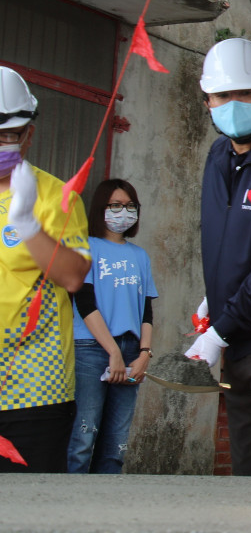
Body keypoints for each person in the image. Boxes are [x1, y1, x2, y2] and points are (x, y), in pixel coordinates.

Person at [184, 38, 251, 477]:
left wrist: (219, 331)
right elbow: (225, 242)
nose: (234, 105)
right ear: (206, 100)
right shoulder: (219, 156)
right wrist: (215, 297)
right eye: (223, 96)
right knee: (243, 472)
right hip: (236, 340)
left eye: (247, 93)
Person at [0, 66, 91, 472]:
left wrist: (29, 226)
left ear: (28, 135)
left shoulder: (56, 195)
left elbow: (73, 275)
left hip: (34, 391)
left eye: (8, 134)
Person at [68, 179, 157, 474]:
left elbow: (146, 310)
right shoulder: (86, 247)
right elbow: (84, 303)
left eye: (130, 206)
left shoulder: (140, 256)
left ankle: (106, 508)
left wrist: (144, 353)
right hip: (91, 350)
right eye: (115, 206)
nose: (124, 212)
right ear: (101, 209)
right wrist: (112, 353)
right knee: (84, 434)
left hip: (132, 351)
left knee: (117, 442)